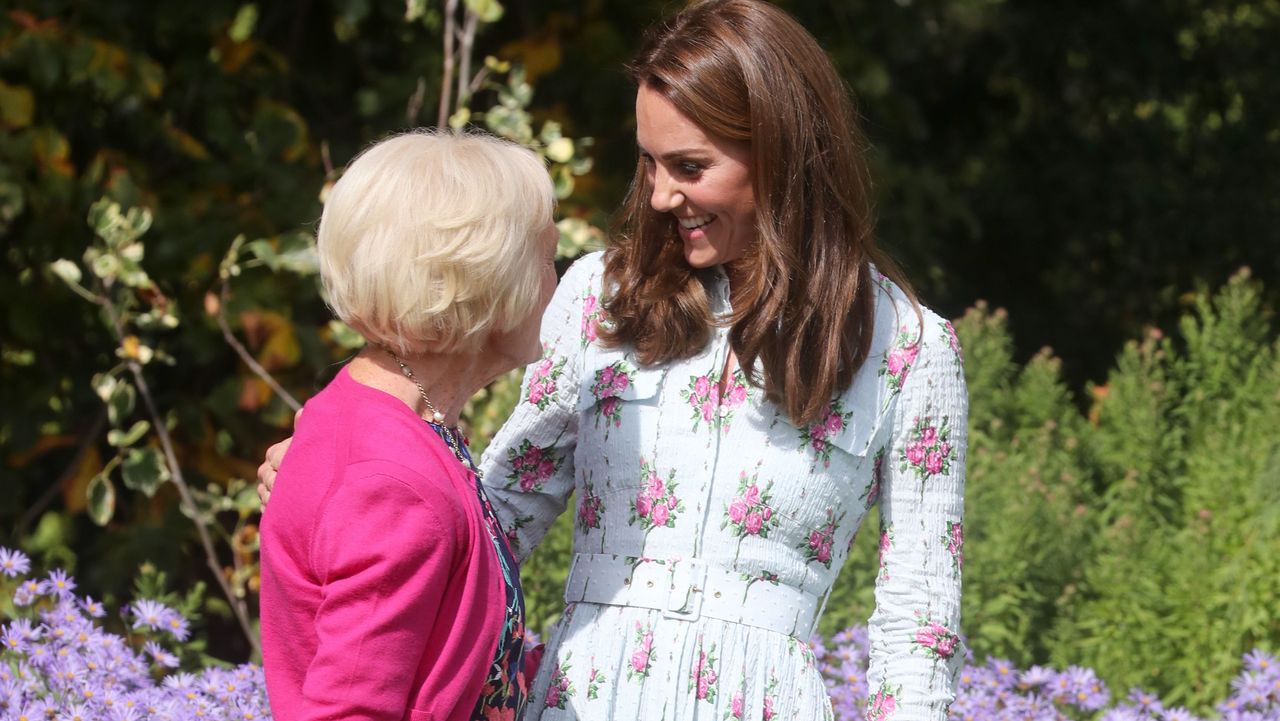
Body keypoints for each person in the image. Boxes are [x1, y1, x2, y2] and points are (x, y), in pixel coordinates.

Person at [262, 1, 966, 719]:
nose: (660, 196)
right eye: (649, 161)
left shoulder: (910, 349)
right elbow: (497, 509)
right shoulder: (600, 295)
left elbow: (920, 621)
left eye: (690, 166)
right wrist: (340, 489)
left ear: (782, 154)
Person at [257, 130, 559, 721]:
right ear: (493, 285)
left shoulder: (383, 423)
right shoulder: (394, 485)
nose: (557, 283)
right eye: (547, 259)